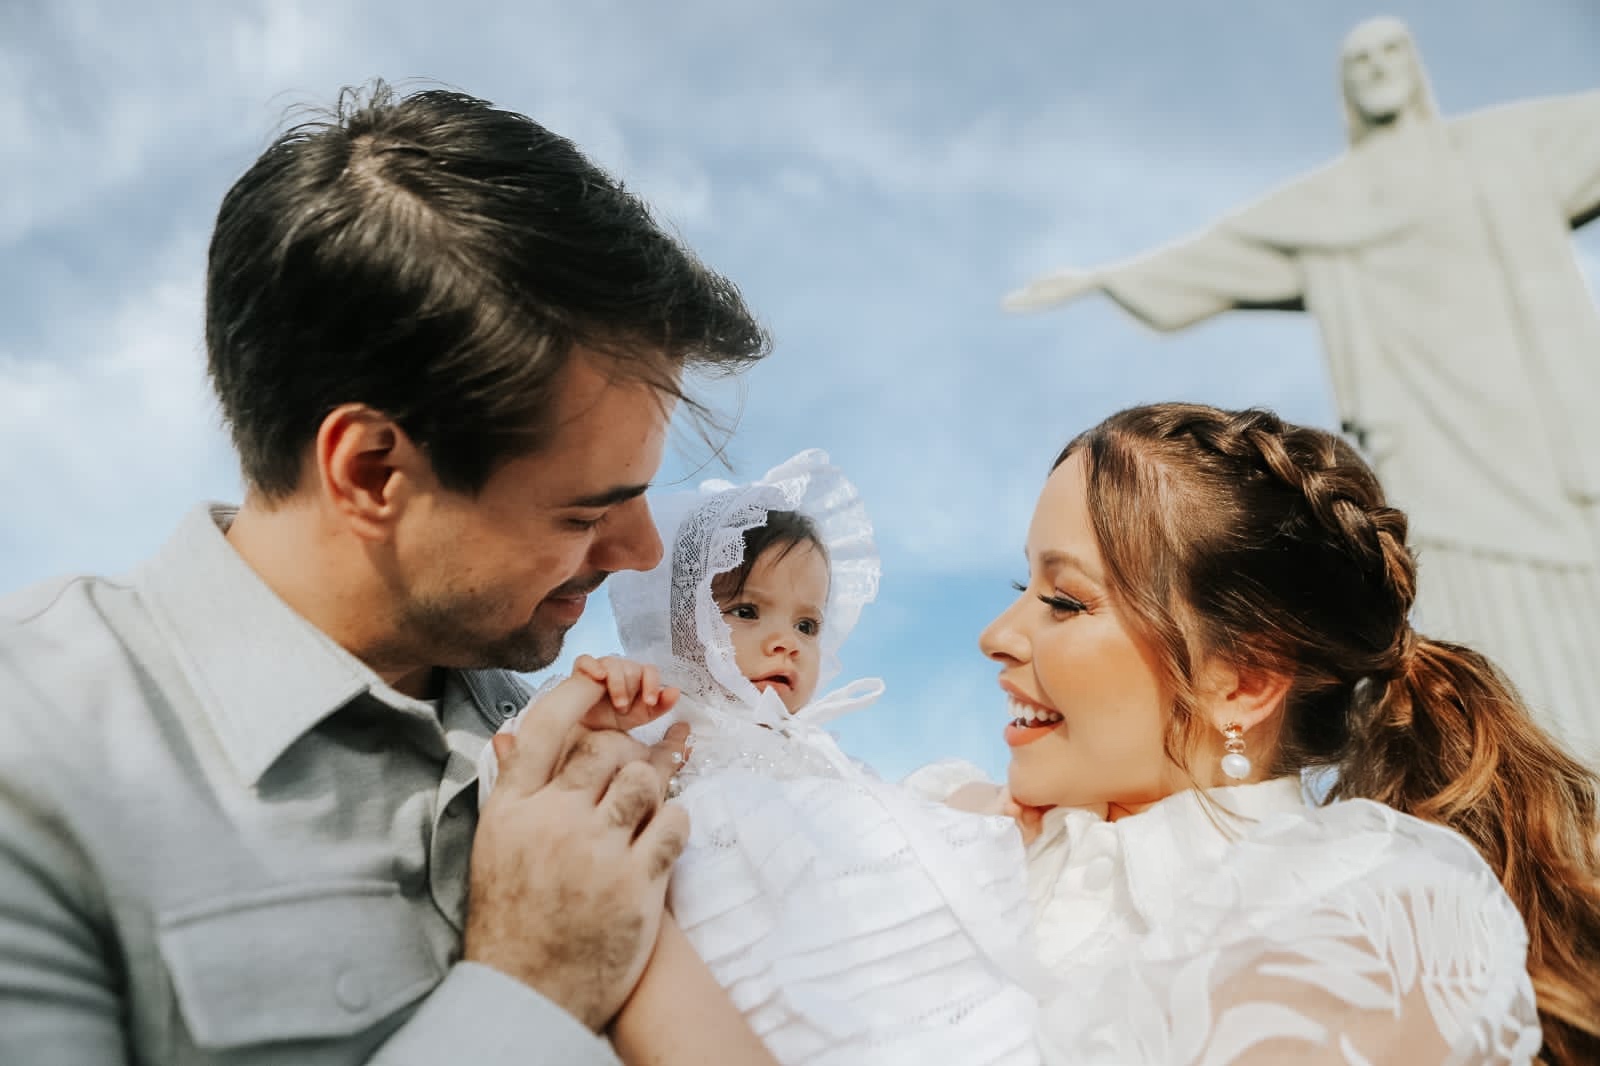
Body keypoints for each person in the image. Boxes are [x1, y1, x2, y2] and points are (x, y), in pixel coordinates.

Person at [0, 81, 769, 1065]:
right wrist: (532, 981)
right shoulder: (33, 761)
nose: (641, 553)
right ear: (371, 472)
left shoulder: (565, 748)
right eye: (582, 513)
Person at [613, 405, 1600, 1064]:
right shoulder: (938, 828)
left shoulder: (1334, 944)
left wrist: (617, 939)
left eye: (1064, 601)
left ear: (1242, 680)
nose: (998, 636)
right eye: (1017, 591)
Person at [1004, 16, 1600, 760]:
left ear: (1413, 66)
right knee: (1458, 596)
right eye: (1362, 59)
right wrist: (1104, 279)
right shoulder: (1332, 202)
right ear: (1348, 85)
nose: (1379, 67)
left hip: (1542, 427)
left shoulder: (1502, 151)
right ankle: (1499, 759)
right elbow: (1221, 254)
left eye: (1391, 51)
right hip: (1431, 447)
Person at [483, 451, 1042, 1065]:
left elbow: (892, 823)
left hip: (839, 947)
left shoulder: (811, 754)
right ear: (681, 623)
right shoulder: (657, 721)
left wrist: (983, 806)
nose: (787, 642)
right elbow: (531, 767)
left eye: (807, 625)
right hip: (721, 969)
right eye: (746, 612)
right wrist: (593, 699)